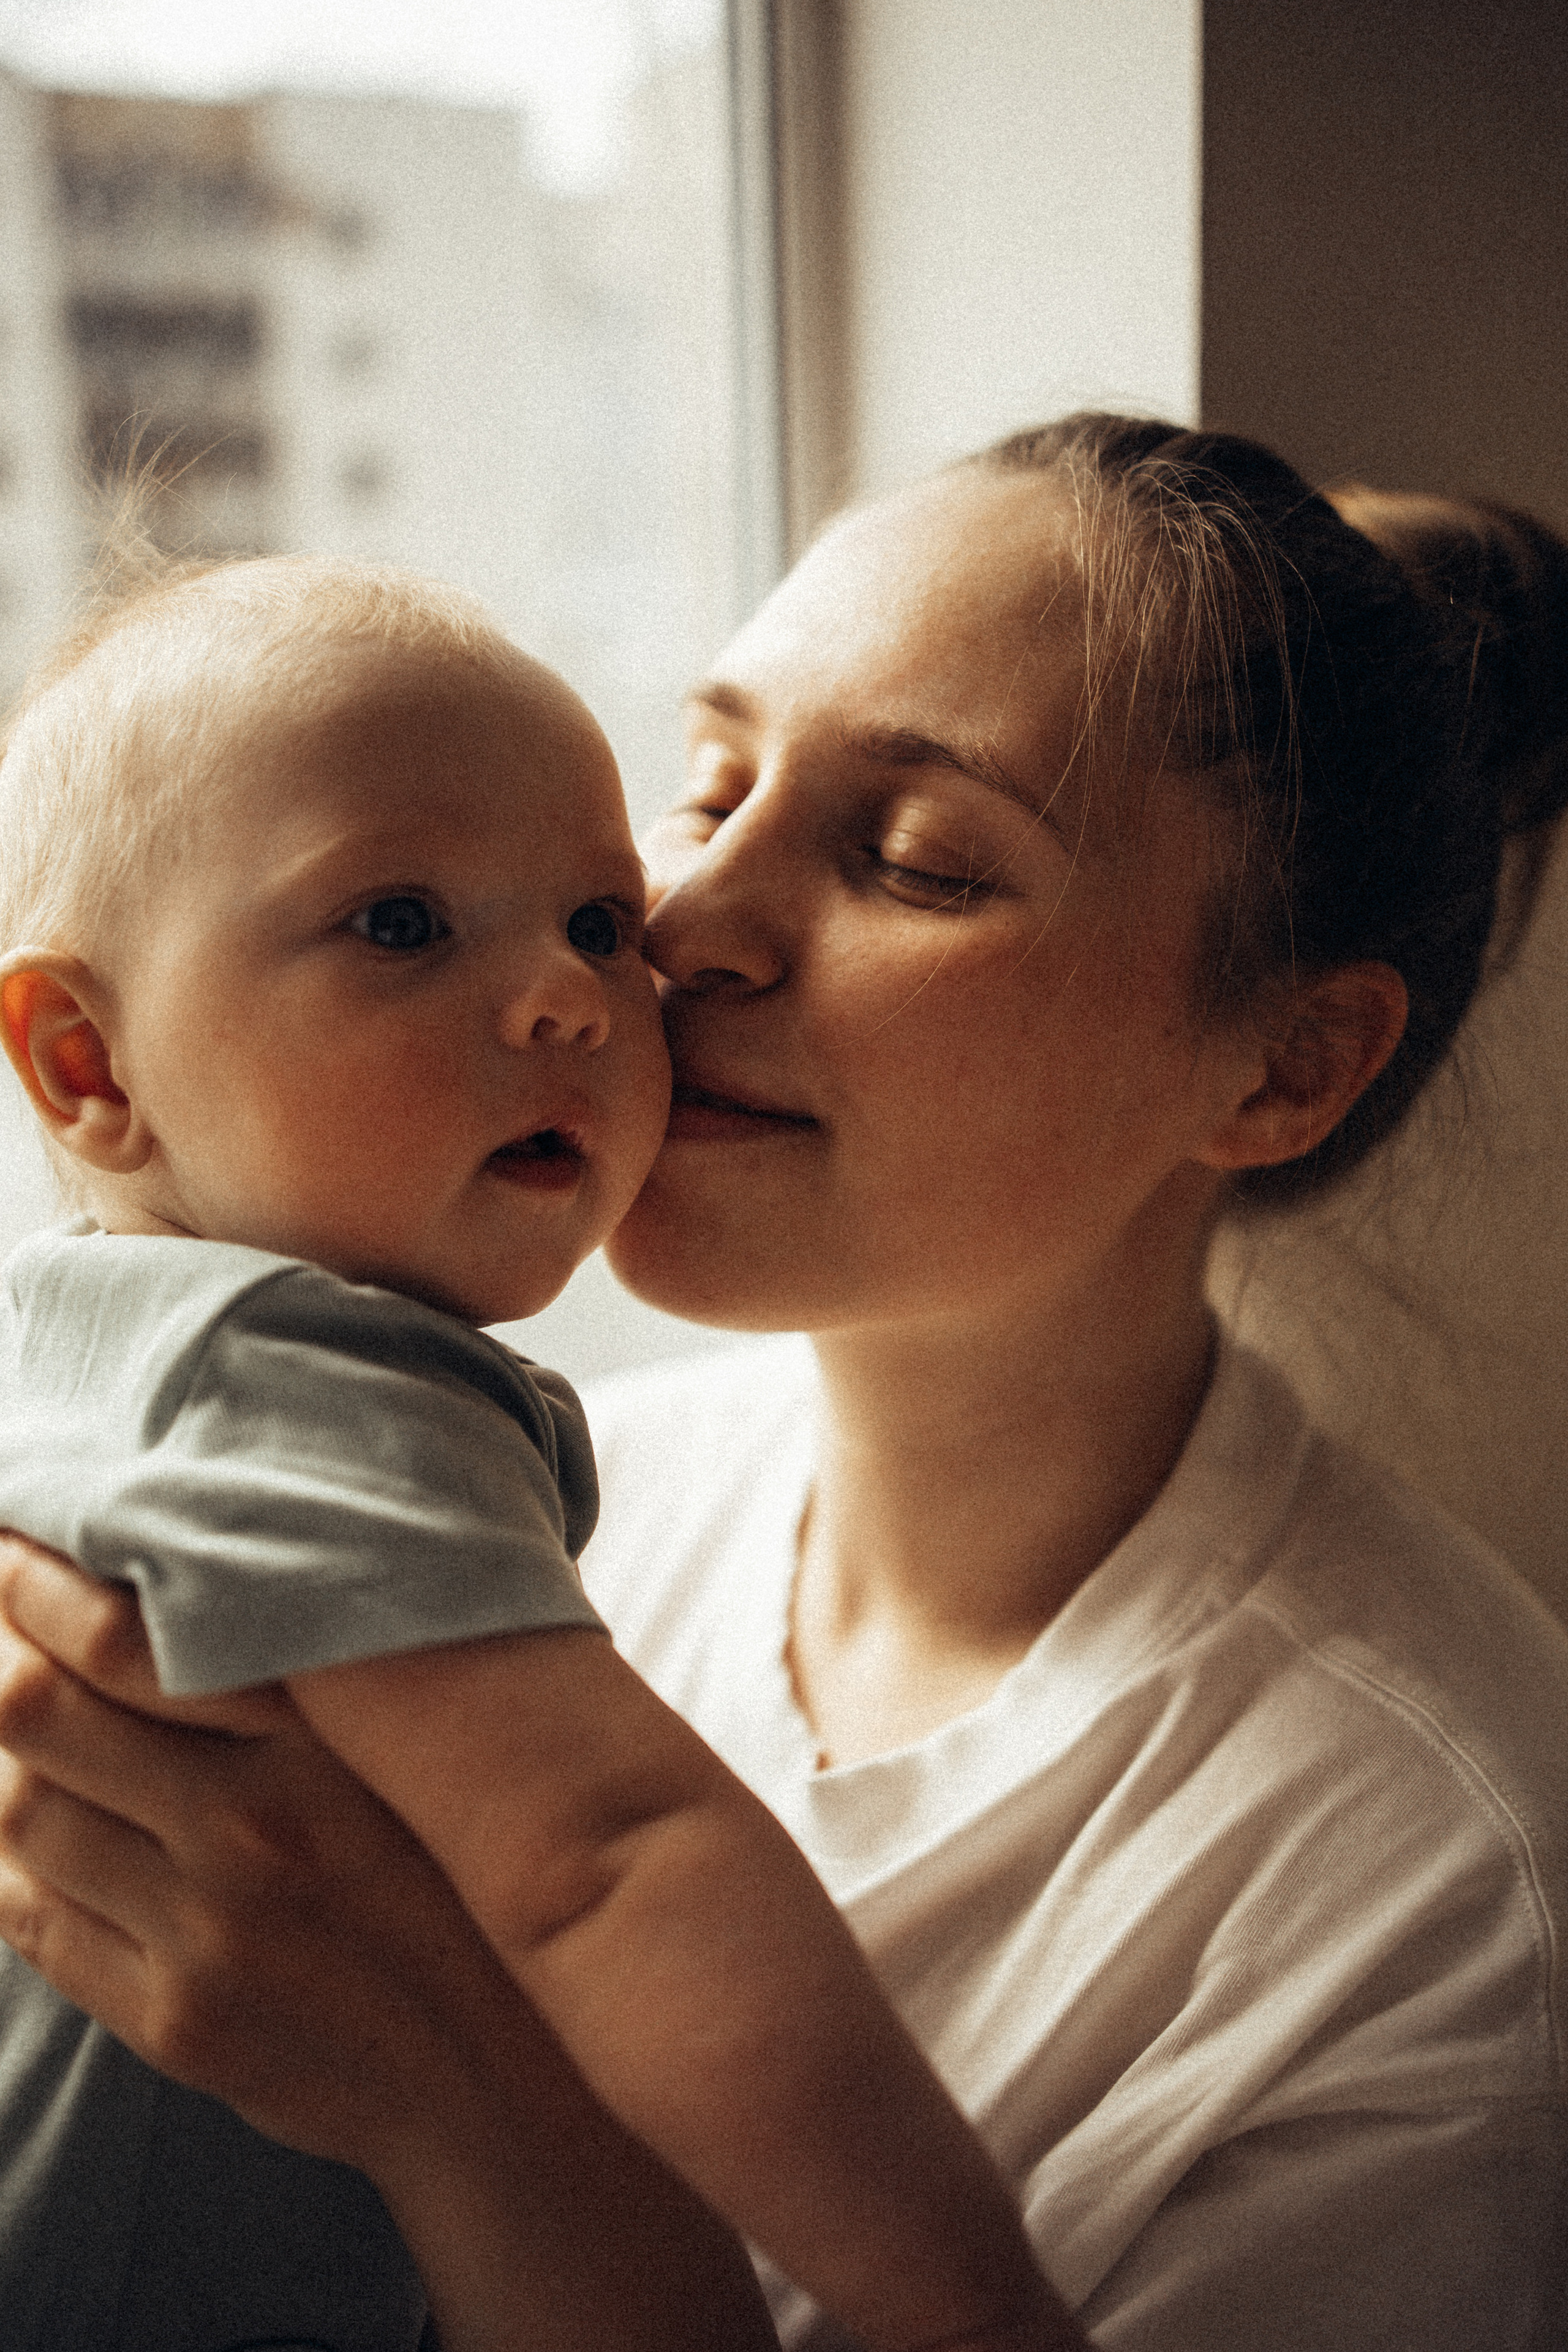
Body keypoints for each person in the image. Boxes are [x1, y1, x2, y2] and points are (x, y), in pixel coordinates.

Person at [1, 413, 1566, 2350]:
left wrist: (471, 2108)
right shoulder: (561, 1481)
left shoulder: (1434, 1895)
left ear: (1286, 1065)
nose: (682, 935)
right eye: (709, 786)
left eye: (915, 862)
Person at [0, 556, 1071, 2352]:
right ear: (89, 1061)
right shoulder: (302, 1378)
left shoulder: (80, 1351)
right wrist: (973, 2311)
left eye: (594, 919)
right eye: (401, 924)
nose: (574, 998)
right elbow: (611, 1861)